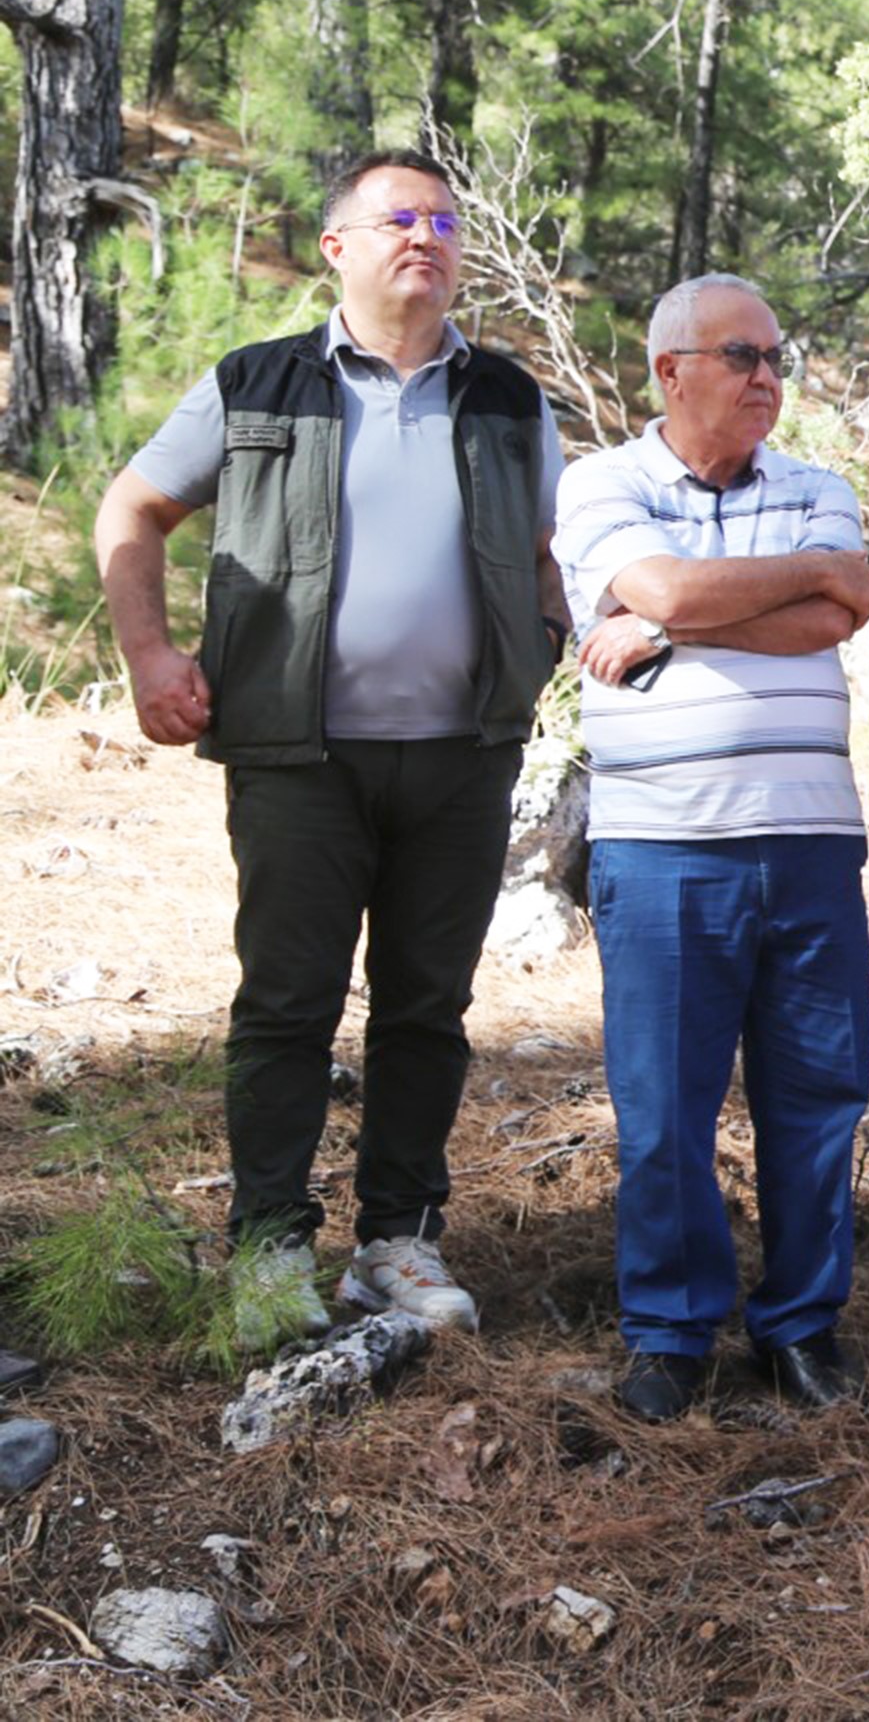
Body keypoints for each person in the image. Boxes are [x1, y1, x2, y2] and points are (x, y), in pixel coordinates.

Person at [94, 149, 568, 1353]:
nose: (426, 235)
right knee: (288, 1005)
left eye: (443, 220)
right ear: (337, 246)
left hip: (463, 757)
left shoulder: (509, 398)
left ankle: (398, 1241)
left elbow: (557, 549)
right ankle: (266, 1249)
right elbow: (131, 509)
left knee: (427, 1006)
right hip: (298, 756)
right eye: (397, 217)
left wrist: (544, 641)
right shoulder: (259, 382)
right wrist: (152, 658)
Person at [553, 275, 869, 1422]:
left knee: (819, 1098)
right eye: (739, 354)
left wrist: (670, 622)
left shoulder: (817, 485)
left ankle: (800, 1325)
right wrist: (679, 595)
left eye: (776, 355)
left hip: (809, 841)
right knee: (665, 1107)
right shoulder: (600, 480)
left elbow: (839, 609)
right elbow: (672, 580)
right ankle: (670, 1330)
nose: (765, 376)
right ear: (668, 369)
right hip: (662, 847)